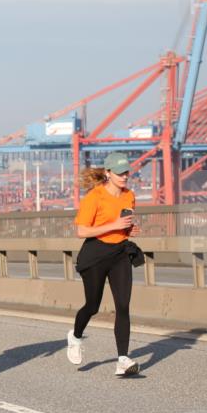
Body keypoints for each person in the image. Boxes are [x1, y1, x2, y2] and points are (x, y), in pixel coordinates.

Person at [67, 152, 141, 377]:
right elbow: (82, 231)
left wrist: (128, 229)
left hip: (119, 254)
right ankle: (76, 337)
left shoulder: (130, 195)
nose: (124, 176)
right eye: (119, 173)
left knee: (123, 305)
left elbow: (122, 224)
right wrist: (114, 225)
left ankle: (122, 359)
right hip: (95, 254)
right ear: (108, 173)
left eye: (126, 172)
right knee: (92, 306)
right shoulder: (94, 197)